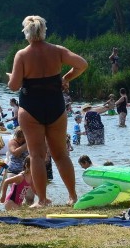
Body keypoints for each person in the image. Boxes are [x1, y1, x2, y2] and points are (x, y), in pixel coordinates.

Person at [7, 15, 88, 207]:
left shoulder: (22, 55)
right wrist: (66, 78)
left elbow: (14, 85)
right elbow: (82, 64)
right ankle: (72, 196)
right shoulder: (57, 51)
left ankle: (42, 200)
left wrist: (11, 77)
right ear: (43, 31)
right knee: (60, 154)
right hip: (55, 105)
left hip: (31, 107)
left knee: (36, 155)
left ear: (26, 33)